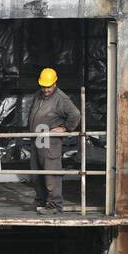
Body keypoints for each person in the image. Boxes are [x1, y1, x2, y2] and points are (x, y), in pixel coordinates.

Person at [29, 68, 81, 214]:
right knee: (36, 170)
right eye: (43, 86)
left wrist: (65, 128)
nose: (45, 89)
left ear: (55, 83)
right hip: (38, 138)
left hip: (50, 141)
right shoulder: (38, 95)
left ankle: (54, 205)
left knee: (51, 171)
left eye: (48, 86)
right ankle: (41, 200)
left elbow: (75, 114)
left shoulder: (61, 99)